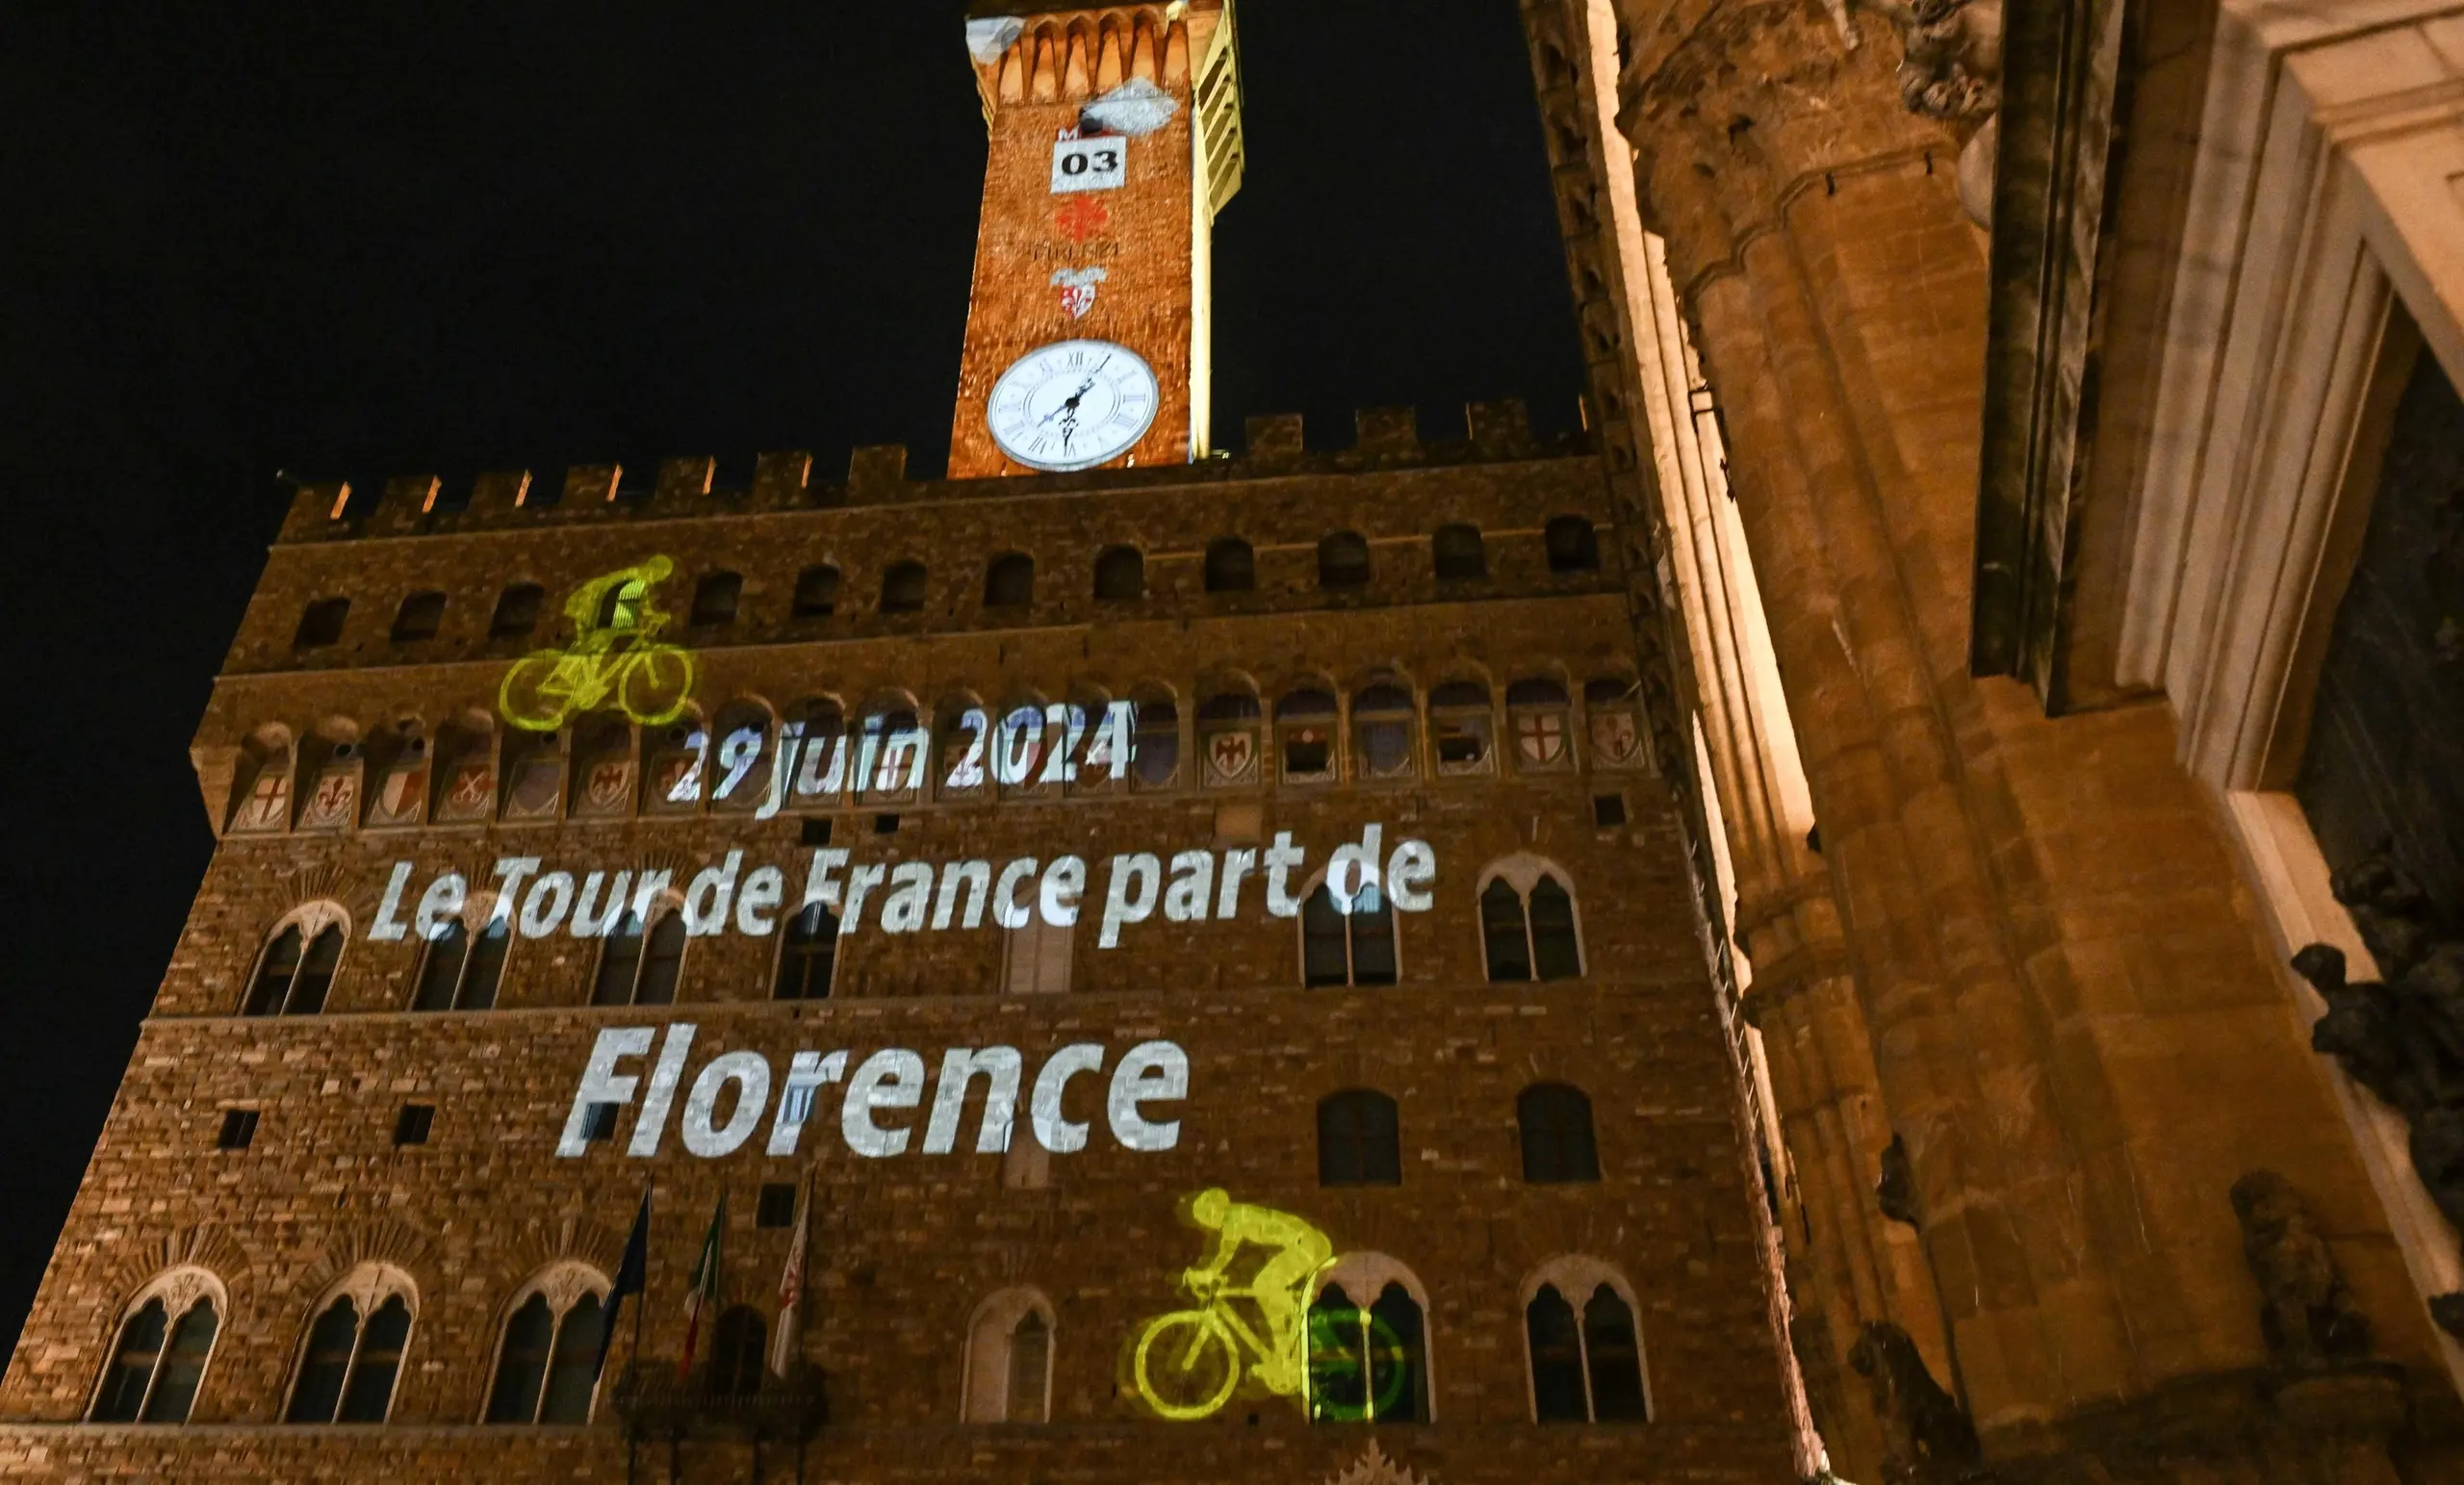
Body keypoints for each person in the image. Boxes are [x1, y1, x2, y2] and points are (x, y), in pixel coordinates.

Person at [1178, 1188, 1333, 1395]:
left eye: (1206, 1216)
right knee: (1270, 1304)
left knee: (1263, 1286)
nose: (1206, 1224)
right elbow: (1224, 1255)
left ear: (1216, 1209)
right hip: (1306, 1242)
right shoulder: (1234, 1217)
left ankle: (1298, 1313)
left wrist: (1209, 1273)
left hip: (1304, 1244)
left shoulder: (1235, 1216)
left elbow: (1226, 1253)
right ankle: (1284, 1359)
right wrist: (1212, 1272)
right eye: (1202, 1219)